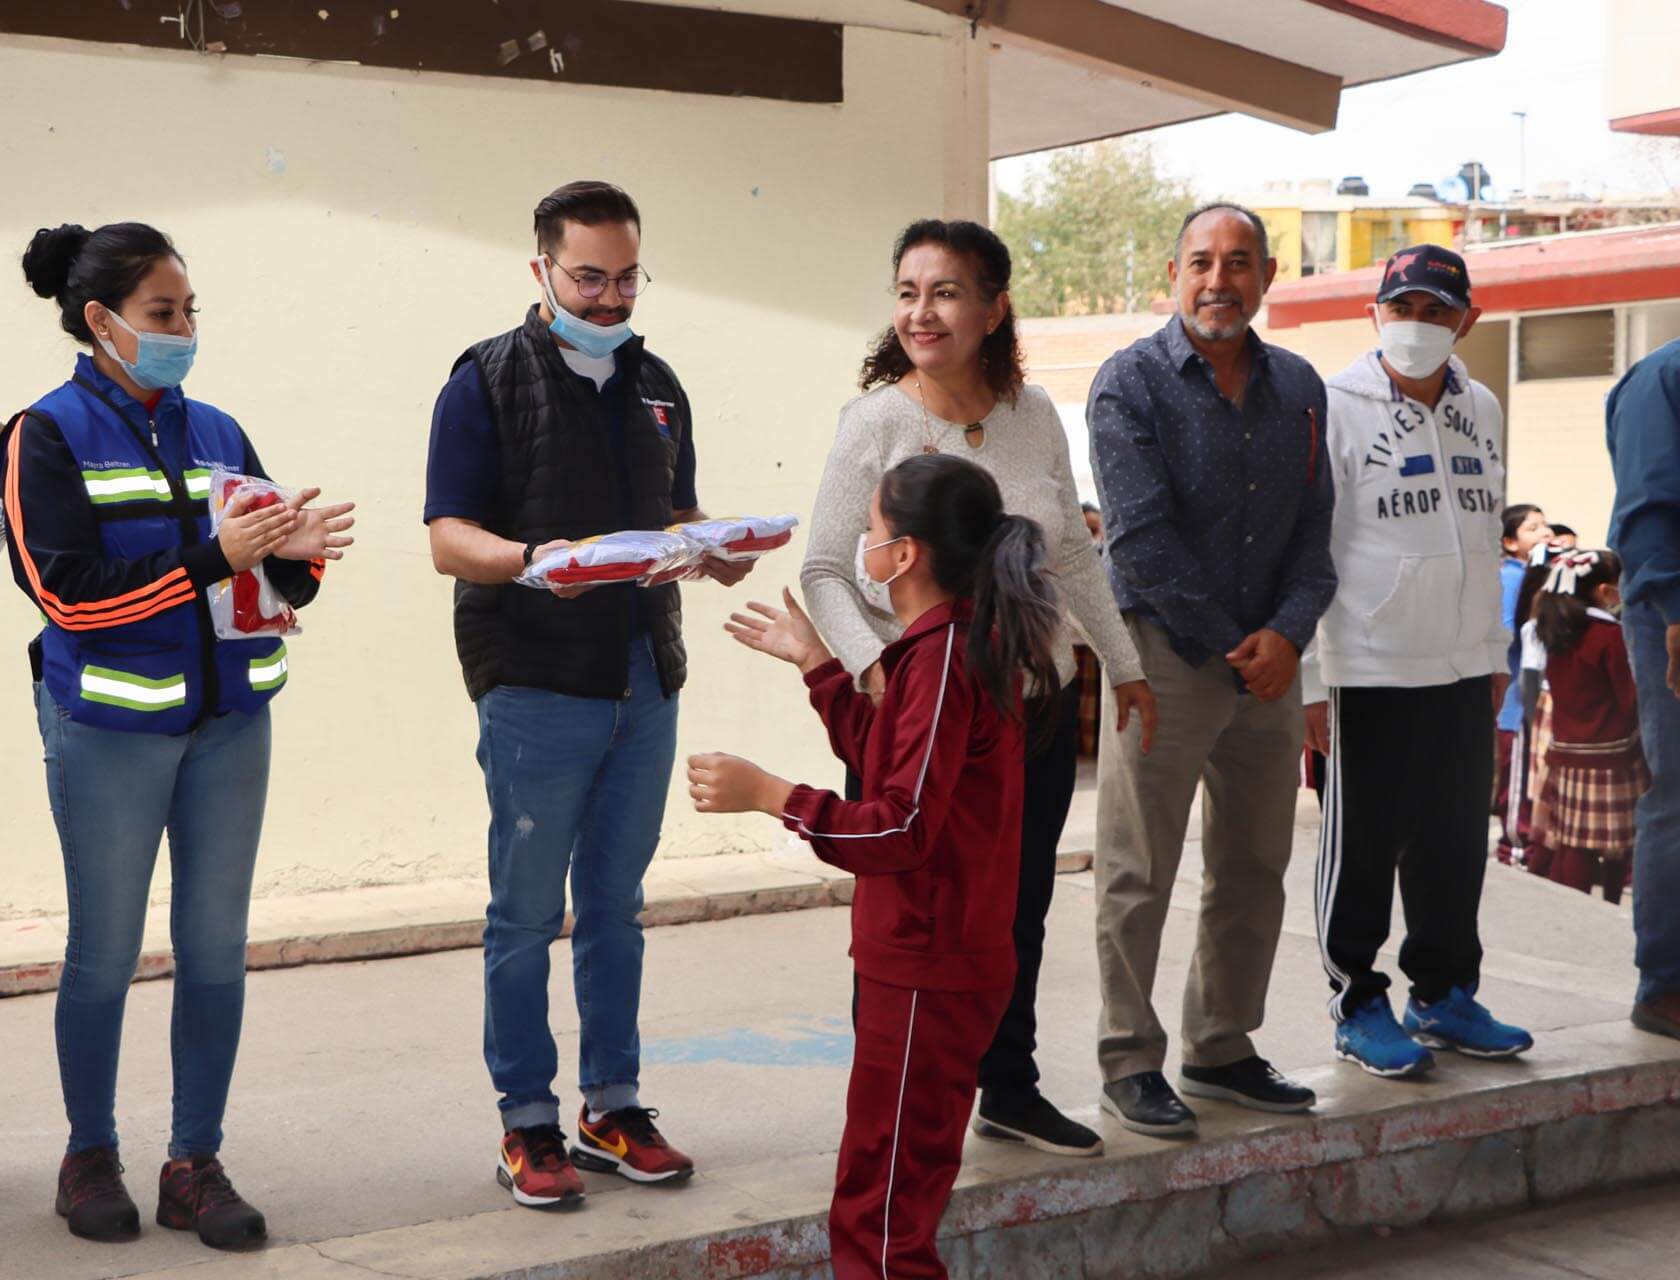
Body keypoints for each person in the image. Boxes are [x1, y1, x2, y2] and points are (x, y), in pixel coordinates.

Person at [2, 222, 354, 1248]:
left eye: (191, 311)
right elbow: (64, 594)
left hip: (230, 725)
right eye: (164, 314)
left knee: (214, 950)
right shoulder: (44, 433)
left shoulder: (221, 432)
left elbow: (268, 577)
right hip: (109, 725)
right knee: (103, 952)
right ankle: (88, 1153)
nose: (184, 330)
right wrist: (211, 557)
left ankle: (194, 1161)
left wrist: (298, 559)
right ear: (102, 320)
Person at [424, 181, 751, 1206]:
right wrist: (533, 558)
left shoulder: (657, 383)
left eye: (625, 276)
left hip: (643, 676)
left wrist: (714, 545)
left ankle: (613, 1104)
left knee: (617, 904)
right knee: (525, 912)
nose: (610, 299)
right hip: (534, 679)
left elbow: (676, 507)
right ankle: (529, 1120)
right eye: (589, 278)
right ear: (542, 272)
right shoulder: (481, 379)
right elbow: (448, 537)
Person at [801, 219, 1153, 1159]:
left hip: (1028, 708)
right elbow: (827, 570)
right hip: (917, 711)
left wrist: (1124, 665)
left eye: (947, 291)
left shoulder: (1034, 413)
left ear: (995, 308)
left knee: (1014, 907)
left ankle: (1009, 1083)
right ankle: (896, 1101)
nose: (923, 311)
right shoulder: (876, 420)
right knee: (912, 911)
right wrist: (879, 674)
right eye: (908, 291)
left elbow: (1072, 552)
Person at [691, 453, 1057, 1279]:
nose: (862, 541)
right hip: (932, 957)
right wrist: (819, 666)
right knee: (887, 1186)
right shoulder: (942, 647)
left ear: (904, 556)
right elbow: (897, 762)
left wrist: (773, 794)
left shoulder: (944, 659)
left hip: (932, 961)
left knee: (884, 1205)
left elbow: (903, 827)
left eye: (873, 530)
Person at [1087, 202, 1335, 1136]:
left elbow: (1317, 532)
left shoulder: (1302, 388)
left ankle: (1222, 1045)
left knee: (1253, 865)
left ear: (1267, 278)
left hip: (1268, 662)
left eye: (1238, 262)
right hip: (1165, 657)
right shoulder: (1130, 384)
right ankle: (1128, 1058)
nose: (1218, 280)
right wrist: (1242, 643)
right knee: (1136, 868)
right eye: (1201, 262)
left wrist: (1287, 634)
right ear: (1172, 275)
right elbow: (1140, 542)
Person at [1302, 244, 1531, 1079]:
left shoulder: (1485, 406)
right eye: (1402, 309)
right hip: (1367, 663)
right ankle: (1356, 1001)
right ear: (1375, 314)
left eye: (1436, 311)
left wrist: (1494, 649)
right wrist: (1308, 681)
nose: (1417, 326)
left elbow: (1483, 533)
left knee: (1453, 843)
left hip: (1465, 664)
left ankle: (1441, 994)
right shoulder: (1334, 406)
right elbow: (1311, 546)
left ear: (1466, 320)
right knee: (1362, 844)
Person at [1605, 337, 1680, 1037]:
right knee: (1679, 794)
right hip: (1671, 613)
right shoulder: (1661, 378)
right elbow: (1647, 512)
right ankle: (1665, 986)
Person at [1529, 551, 1647, 903]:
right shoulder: (1607, 636)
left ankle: (1569, 907)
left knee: (1573, 843)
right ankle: (1609, 903)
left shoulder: (1555, 631)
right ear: (1602, 590)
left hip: (1567, 749)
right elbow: (1629, 697)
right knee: (1617, 842)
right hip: (1610, 752)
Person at [1495, 503, 1553, 863]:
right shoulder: (1511, 578)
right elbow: (1504, 632)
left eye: (1545, 526)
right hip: (1515, 702)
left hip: (1535, 699)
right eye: (1533, 528)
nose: (1544, 533)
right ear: (1509, 542)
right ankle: (1514, 846)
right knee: (1515, 780)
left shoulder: (1538, 576)